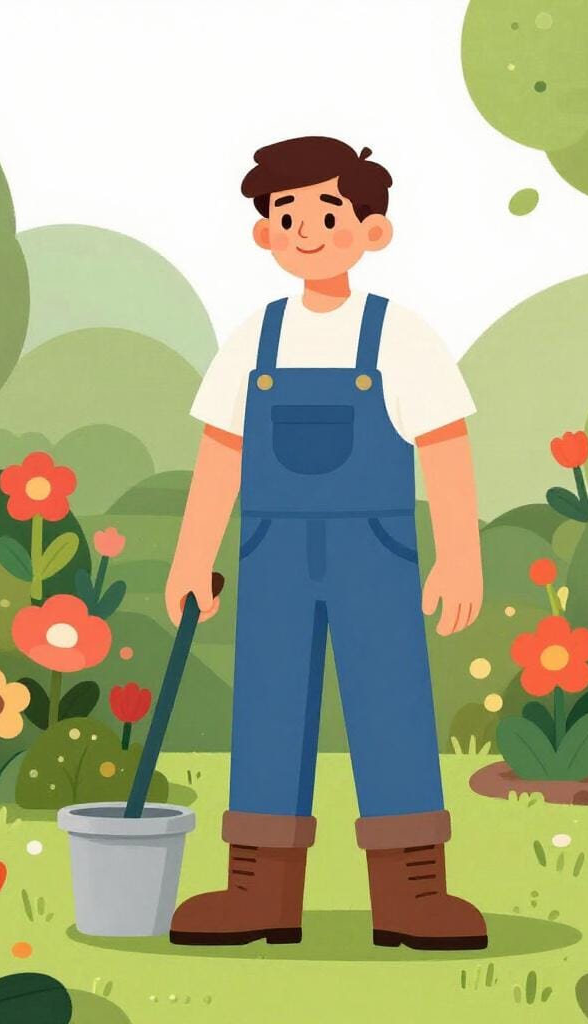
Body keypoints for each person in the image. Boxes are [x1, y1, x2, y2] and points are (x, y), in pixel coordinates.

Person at [165, 136, 486, 950]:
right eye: (286, 214)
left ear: (371, 229)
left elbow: (443, 442)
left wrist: (460, 553)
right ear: (264, 235)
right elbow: (223, 449)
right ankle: (257, 892)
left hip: (375, 554)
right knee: (267, 705)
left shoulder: (398, 336)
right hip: (270, 554)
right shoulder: (255, 339)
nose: (306, 229)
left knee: (393, 704)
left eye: (327, 211)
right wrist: (191, 553)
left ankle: (414, 894)